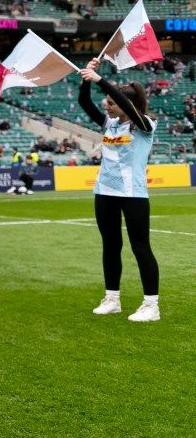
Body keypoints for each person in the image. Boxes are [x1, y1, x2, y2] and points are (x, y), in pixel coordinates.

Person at [78, 58, 160, 322]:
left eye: (111, 103)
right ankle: (112, 298)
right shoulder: (110, 124)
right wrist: (86, 77)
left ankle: (151, 305)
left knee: (140, 247)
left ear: (127, 106)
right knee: (110, 246)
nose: (106, 105)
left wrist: (101, 80)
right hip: (104, 192)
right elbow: (84, 103)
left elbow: (125, 105)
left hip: (133, 195)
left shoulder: (145, 125)